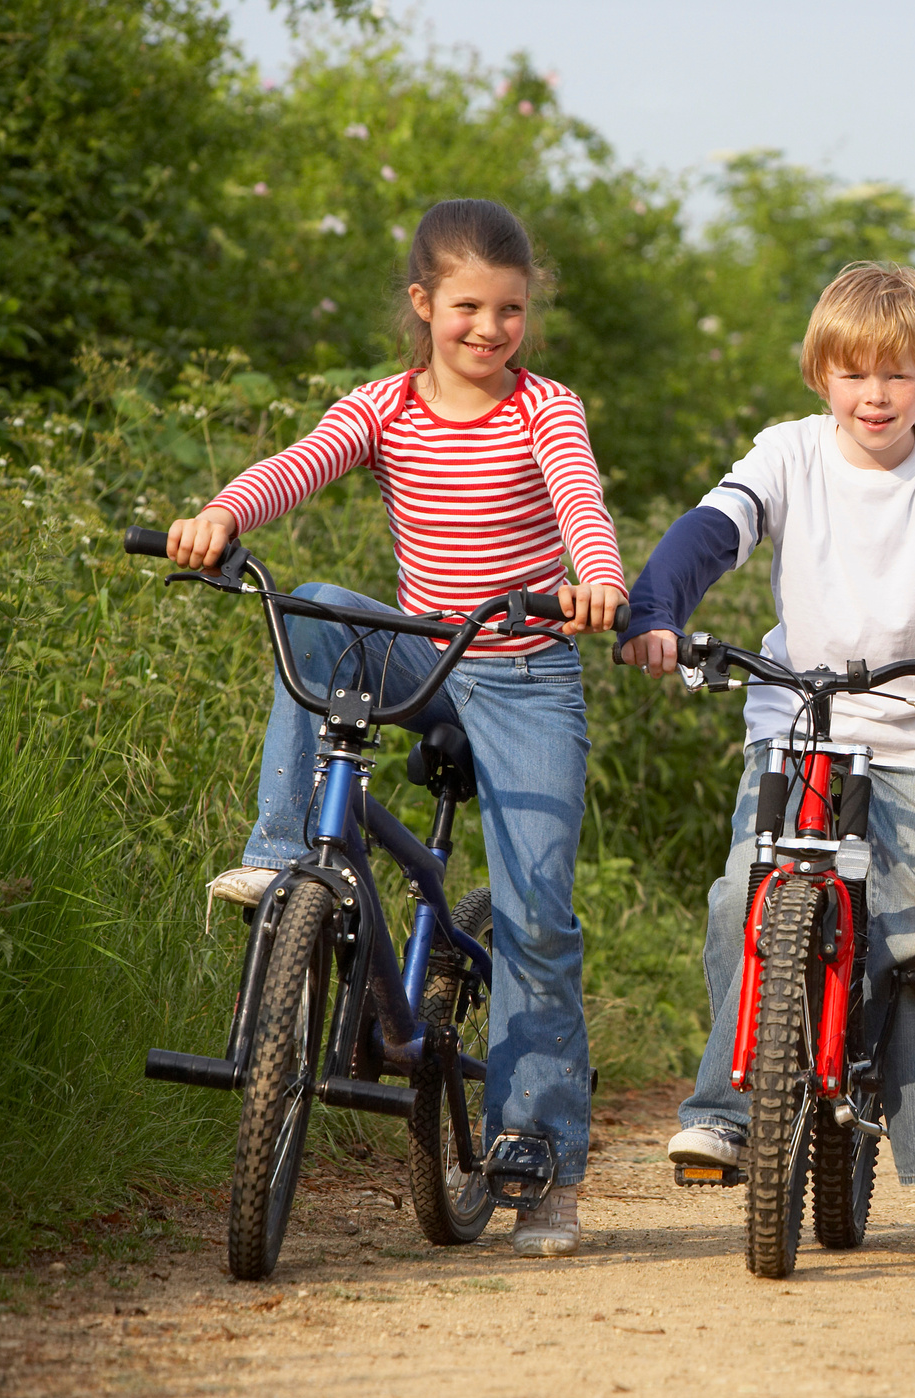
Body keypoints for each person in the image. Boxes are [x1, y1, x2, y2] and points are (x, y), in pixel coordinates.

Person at [167, 198, 626, 1258]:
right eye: (468, 306)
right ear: (424, 305)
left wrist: (595, 581)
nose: (489, 329)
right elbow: (301, 462)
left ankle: (539, 1152)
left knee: (539, 915)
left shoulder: (545, 407)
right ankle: (286, 855)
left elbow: (581, 503)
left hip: (521, 670)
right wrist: (225, 515)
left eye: (510, 310)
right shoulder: (384, 406)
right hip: (424, 655)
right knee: (318, 604)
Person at [620, 261, 915, 1267]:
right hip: (800, 726)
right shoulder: (789, 455)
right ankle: (730, 1108)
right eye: (855, 375)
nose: (876, 395)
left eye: (897, 373)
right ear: (822, 376)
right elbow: (711, 534)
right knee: (740, 898)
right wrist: (655, 607)